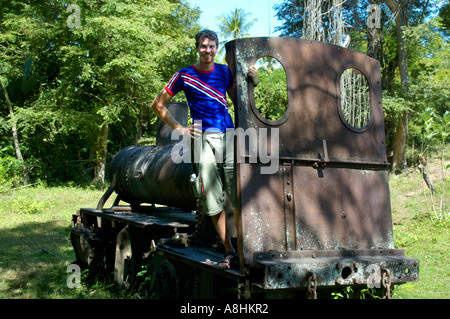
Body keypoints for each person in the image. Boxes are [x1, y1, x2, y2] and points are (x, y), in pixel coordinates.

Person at [150, 29, 258, 269]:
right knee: (212, 198)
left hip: (229, 136)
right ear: (197, 48)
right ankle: (229, 251)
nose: (207, 50)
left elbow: (237, 98)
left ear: (216, 48)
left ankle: (243, 248)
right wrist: (180, 129)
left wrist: (252, 80)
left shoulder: (224, 72)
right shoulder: (184, 75)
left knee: (238, 195)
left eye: (211, 46)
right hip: (202, 140)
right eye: (203, 46)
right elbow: (157, 105)